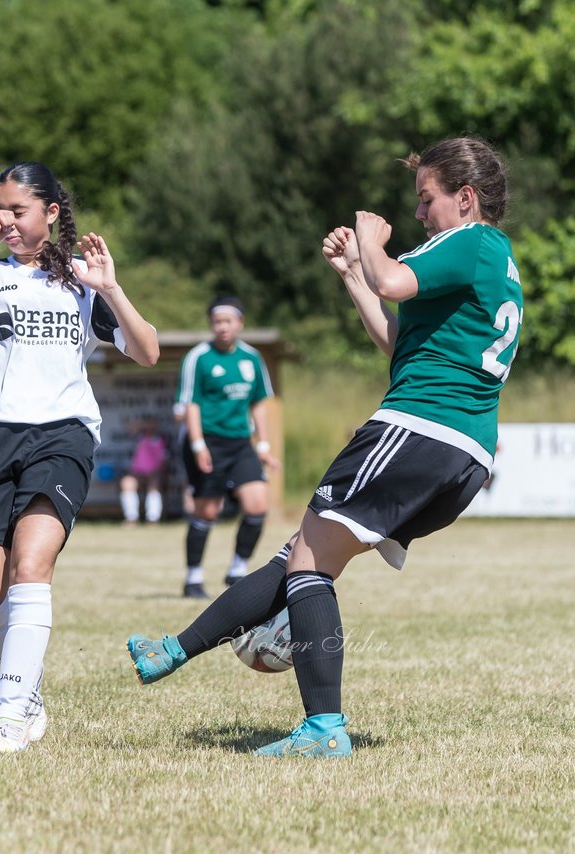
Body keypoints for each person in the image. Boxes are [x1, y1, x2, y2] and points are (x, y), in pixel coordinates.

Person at [126, 136, 523, 758]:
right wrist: (350, 276)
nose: (419, 213)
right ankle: (174, 649)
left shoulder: (467, 239)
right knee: (302, 555)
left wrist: (370, 237)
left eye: (427, 200)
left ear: (465, 198)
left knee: (309, 567)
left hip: (418, 429)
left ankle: (323, 728)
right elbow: (399, 341)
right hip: (463, 453)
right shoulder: (493, 258)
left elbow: (391, 278)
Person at [0, 161, 159, 753]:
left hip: (61, 434)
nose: (4, 219)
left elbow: (148, 351)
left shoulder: (81, 281)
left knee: (32, 563)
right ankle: (26, 687)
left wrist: (110, 287)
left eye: (18, 210)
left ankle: (9, 714)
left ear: (51, 214)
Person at [173, 295, 279, 598]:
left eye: (228, 321)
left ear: (240, 323)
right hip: (208, 442)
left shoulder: (251, 358)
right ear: (211, 325)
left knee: (258, 505)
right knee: (207, 512)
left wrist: (264, 446)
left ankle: (237, 571)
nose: (223, 327)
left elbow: (259, 403)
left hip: (241, 443)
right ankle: (193, 578)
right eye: (217, 321)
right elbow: (190, 405)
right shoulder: (198, 358)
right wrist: (197, 445)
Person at [118, 417, 168, 526]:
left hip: (155, 473)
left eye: (152, 424)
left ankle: (153, 519)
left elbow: (165, 461)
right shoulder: (139, 437)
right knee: (127, 483)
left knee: (154, 484)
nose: (149, 427)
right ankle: (131, 518)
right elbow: (130, 425)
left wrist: (156, 472)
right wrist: (142, 425)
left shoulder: (161, 439)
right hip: (138, 473)